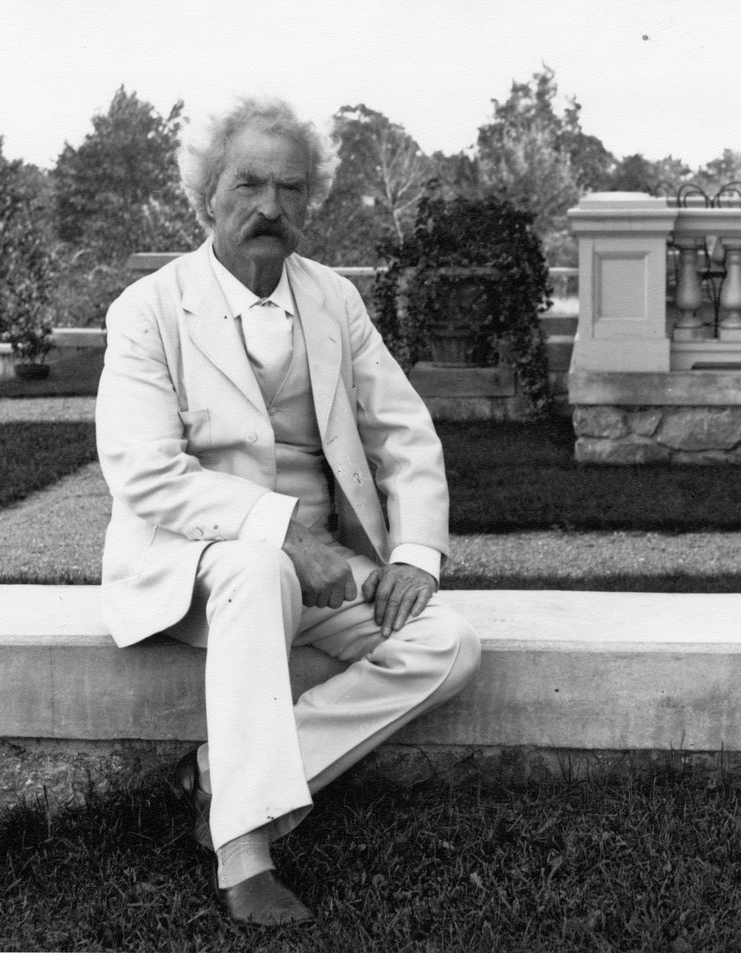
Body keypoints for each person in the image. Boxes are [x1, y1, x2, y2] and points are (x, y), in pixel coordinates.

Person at [94, 95, 481, 928]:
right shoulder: (148, 311)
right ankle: (245, 854)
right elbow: (146, 474)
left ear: (312, 201)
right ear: (206, 195)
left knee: (449, 643)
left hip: (326, 568)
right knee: (256, 561)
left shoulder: (335, 299)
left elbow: (403, 430)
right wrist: (280, 530)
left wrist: (414, 552)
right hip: (198, 564)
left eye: (292, 189)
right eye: (249, 185)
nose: (271, 207)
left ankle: (219, 772)